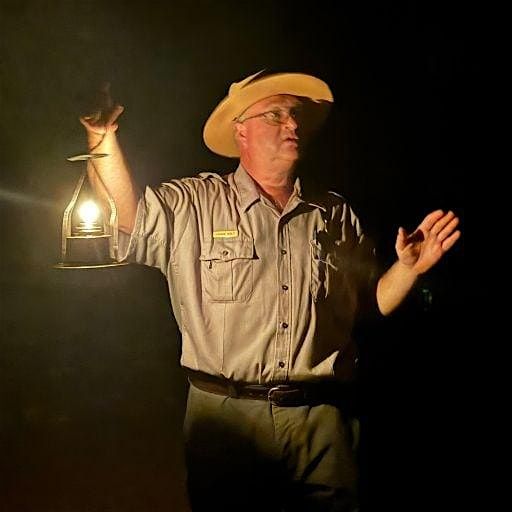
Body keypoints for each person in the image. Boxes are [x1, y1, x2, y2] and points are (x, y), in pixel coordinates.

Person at [79, 71, 460, 512]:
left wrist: (408, 269)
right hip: (227, 423)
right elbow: (128, 220)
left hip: (321, 423)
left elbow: (369, 304)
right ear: (241, 130)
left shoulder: (334, 214)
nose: (292, 124)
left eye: (294, 115)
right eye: (275, 115)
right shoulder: (195, 205)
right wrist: (102, 136)